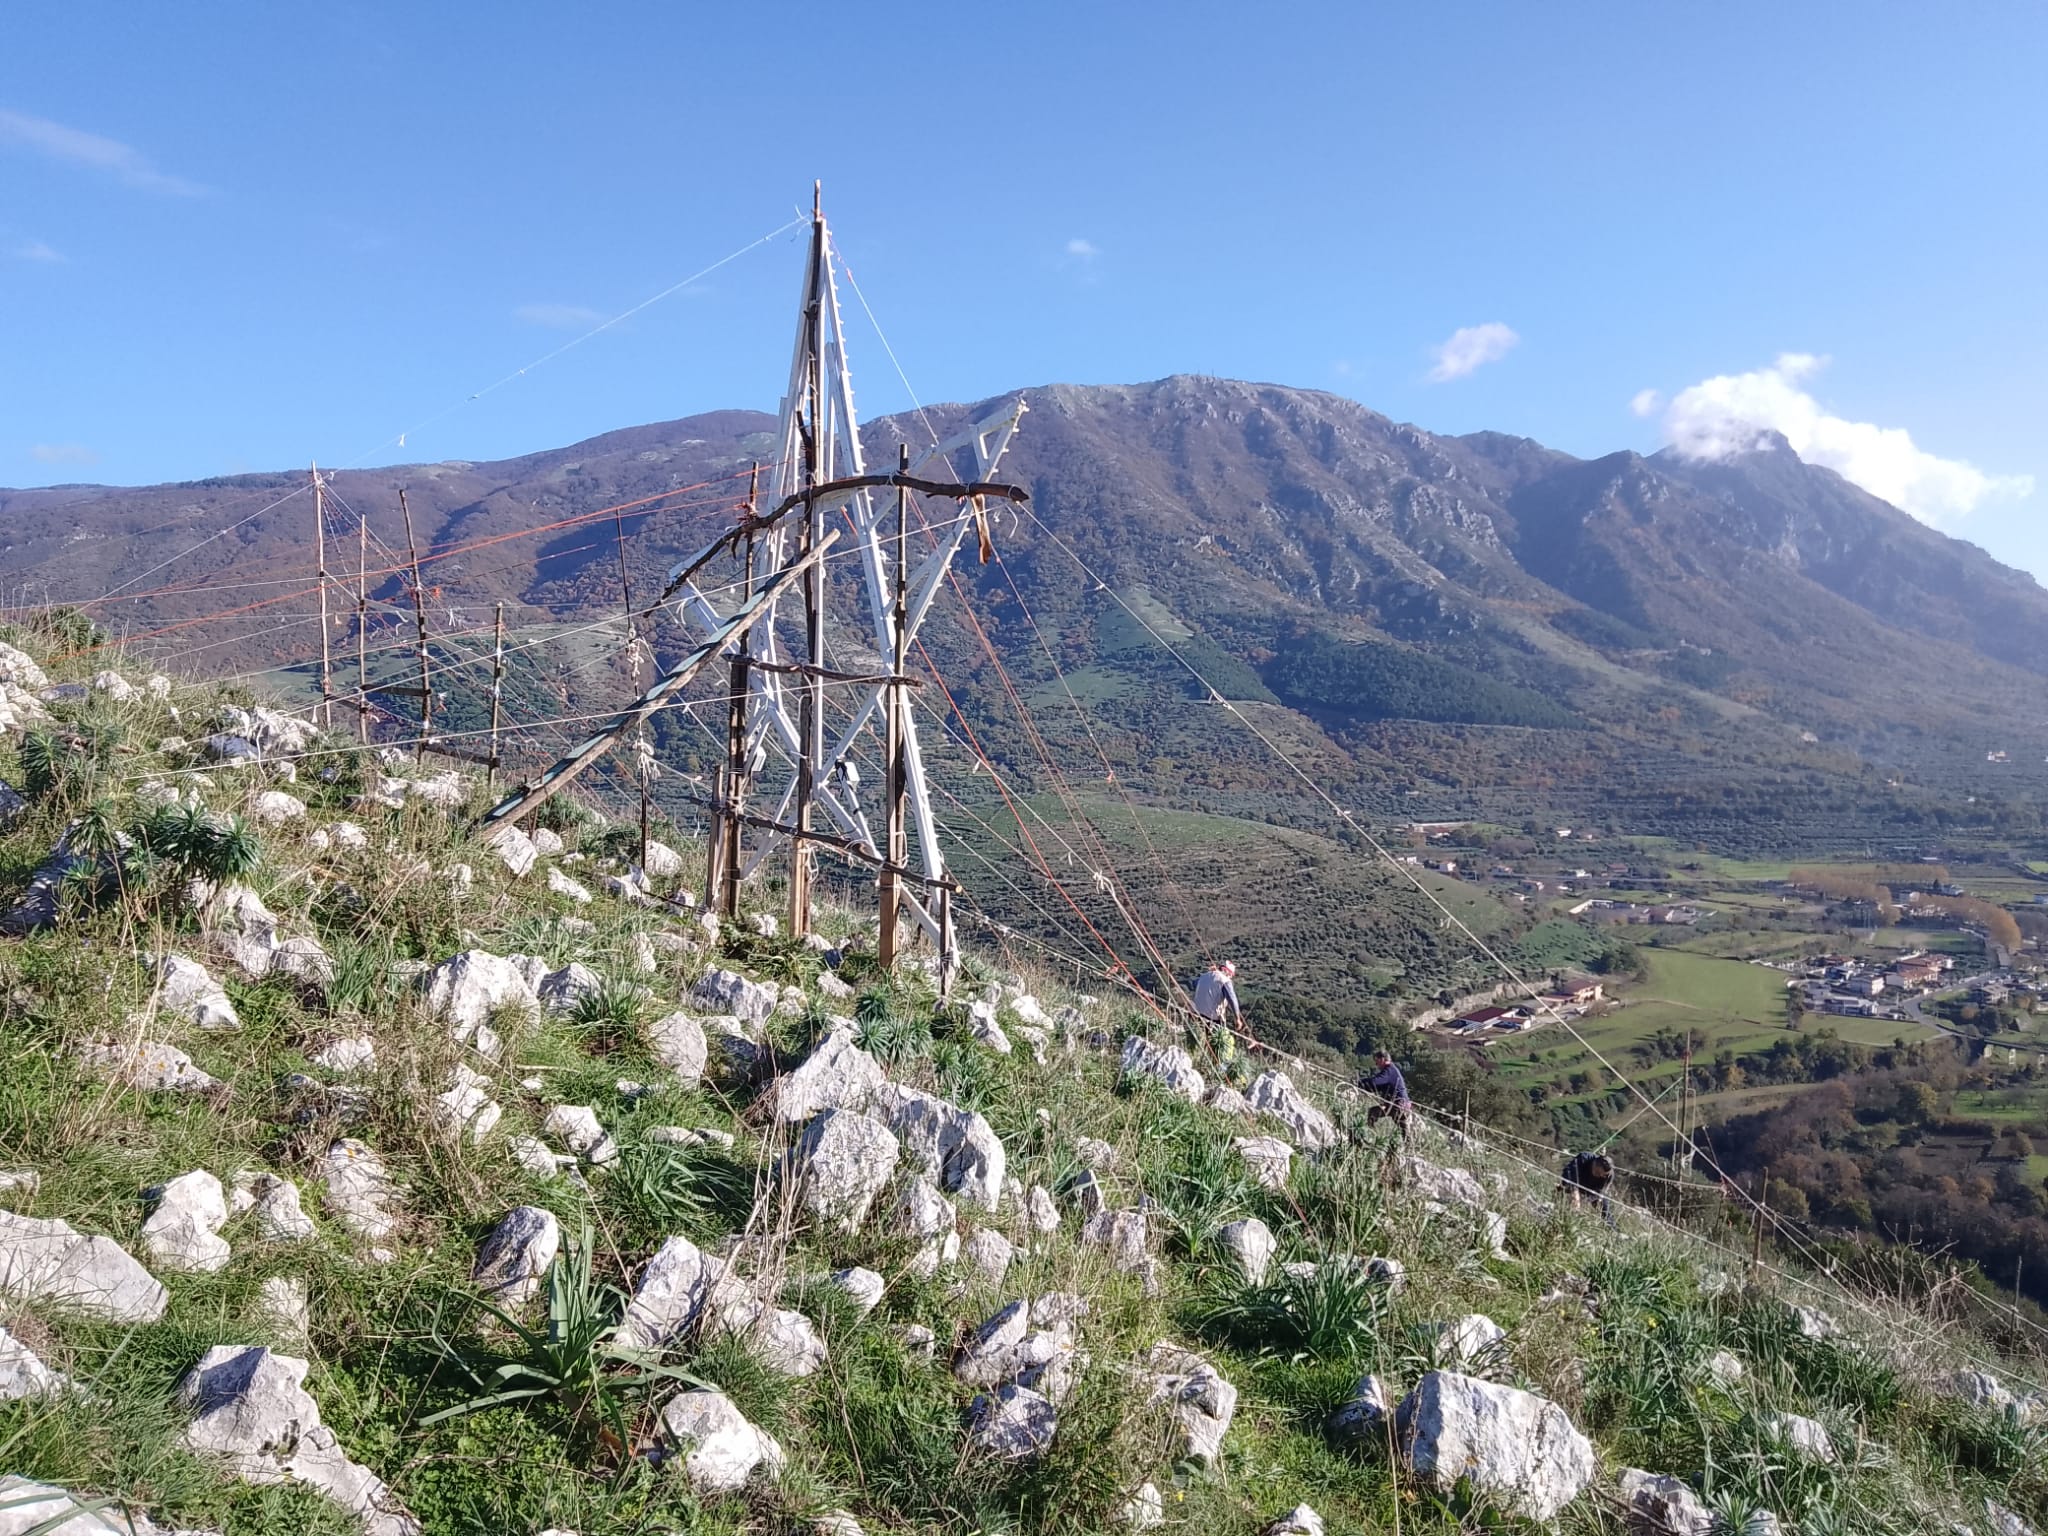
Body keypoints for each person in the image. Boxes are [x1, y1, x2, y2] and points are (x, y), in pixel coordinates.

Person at [1190, 961, 1245, 1080]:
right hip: (1212, 1019)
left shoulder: (1204, 975)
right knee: (1221, 1045)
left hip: (1196, 1015)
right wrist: (1237, 1018)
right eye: (1231, 975)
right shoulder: (1225, 981)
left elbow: (1194, 984)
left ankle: (1200, 1065)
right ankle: (1220, 1071)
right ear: (1229, 973)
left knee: (1201, 1043)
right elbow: (1232, 1000)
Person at [1362, 1048, 1413, 1138]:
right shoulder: (1390, 1070)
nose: (1376, 1064)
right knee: (1373, 1112)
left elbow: (1375, 1082)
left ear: (1382, 1059)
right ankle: (1373, 1135)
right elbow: (1377, 1085)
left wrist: (1361, 1083)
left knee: (1403, 1129)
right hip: (1397, 1104)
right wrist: (1363, 1084)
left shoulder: (1389, 1071)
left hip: (1399, 1105)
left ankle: (1373, 1136)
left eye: (1377, 1061)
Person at [1561, 1150, 1616, 1227]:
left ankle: (1612, 1229)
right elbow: (1568, 1172)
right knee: (1565, 1197)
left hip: (1592, 1191)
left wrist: (1584, 1201)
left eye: (1604, 1175)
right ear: (1597, 1166)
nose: (1603, 1176)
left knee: (1604, 1207)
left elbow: (1600, 1192)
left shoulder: (1609, 1175)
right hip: (1575, 1183)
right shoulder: (1584, 1158)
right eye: (1600, 1173)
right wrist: (1575, 1191)